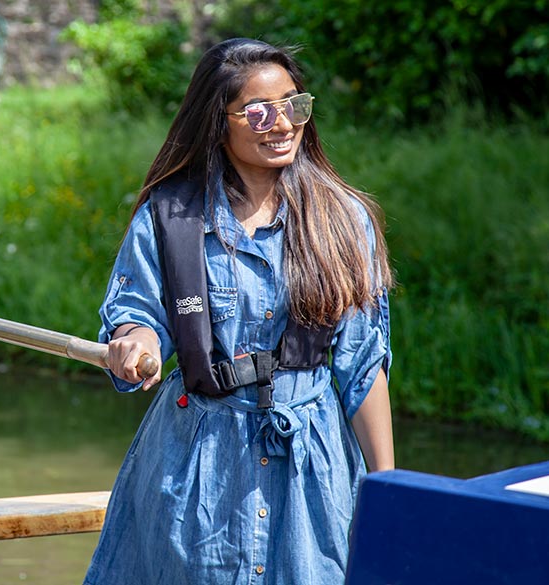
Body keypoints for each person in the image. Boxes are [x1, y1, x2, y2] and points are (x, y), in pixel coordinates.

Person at [84, 38, 395, 585]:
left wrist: (388, 486)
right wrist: (138, 342)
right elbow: (136, 312)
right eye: (258, 111)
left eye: (295, 105)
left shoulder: (344, 219)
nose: (282, 124)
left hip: (311, 467)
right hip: (197, 462)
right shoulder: (170, 215)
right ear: (218, 123)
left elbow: (362, 364)